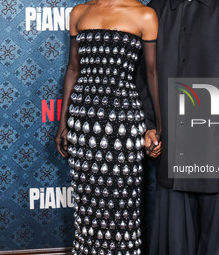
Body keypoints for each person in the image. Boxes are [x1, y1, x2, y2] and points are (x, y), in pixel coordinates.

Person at [136, 0, 219, 254]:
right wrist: (149, 125)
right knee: (174, 240)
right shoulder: (158, 8)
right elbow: (145, 74)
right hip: (172, 144)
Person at [54, 0, 162, 254]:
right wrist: (63, 122)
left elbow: (152, 73)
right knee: (87, 206)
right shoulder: (79, 12)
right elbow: (73, 68)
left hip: (124, 124)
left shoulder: (145, 15)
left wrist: (159, 127)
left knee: (122, 205)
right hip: (83, 122)